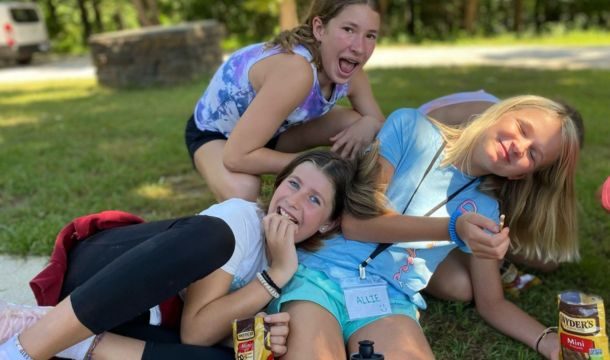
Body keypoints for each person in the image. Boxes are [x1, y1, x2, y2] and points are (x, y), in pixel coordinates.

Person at [0, 146, 387, 360]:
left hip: (133, 320)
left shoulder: (290, 263)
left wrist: (253, 336)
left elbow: (206, 339)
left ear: (327, 223)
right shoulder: (242, 221)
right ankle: (24, 349)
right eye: (293, 184)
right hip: (98, 272)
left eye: (314, 198)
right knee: (212, 238)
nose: (293, 201)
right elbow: (196, 329)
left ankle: (56, 335)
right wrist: (275, 277)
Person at [269, 95, 581, 359]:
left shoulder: (486, 209)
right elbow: (356, 222)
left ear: (520, 176)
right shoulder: (410, 128)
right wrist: (452, 229)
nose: (518, 147)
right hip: (321, 275)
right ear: (501, 112)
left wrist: (548, 340)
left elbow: (492, 303)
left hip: (389, 301)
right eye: (521, 129)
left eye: (533, 154)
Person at [185, 0, 385, 202]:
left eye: (370, 35)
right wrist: (314, 166)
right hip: (217, 134)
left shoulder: (352, 74)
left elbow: (383, 127)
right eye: (348, 29)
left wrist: (370, 122)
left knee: (360, 126)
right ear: (319, 29)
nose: (359, 47)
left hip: (275, 130)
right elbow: (235, 157)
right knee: (244, 190)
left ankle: (360, 197)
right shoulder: (297, 71)